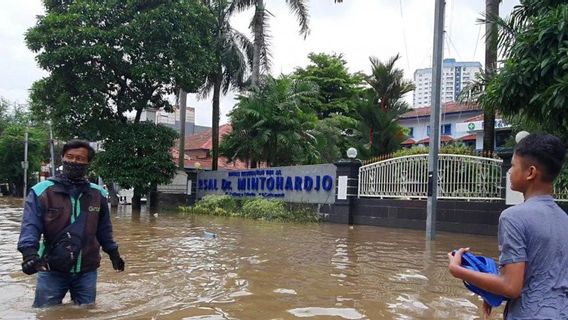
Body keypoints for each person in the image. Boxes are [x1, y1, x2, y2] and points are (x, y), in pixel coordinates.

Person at [448, 133, 568, 319]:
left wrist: (459, 270)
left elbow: (511, 287)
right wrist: (490, 288)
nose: (510, 171)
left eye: (513, 165)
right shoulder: (564, 219)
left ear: (530, 172)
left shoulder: (513, 217)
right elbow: (541, 279)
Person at [17, 139, 125, 307]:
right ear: (62, 158)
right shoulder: (42, 191)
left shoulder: (98, 194)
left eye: (80, 158)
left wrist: (114, 254)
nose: (74, 161)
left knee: (86, 312)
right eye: (70, 157)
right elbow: (30, 226)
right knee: (46, 313)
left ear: (88, 163)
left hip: (87, 270)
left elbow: (104, 229)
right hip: (52, 268)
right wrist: (29, 254)